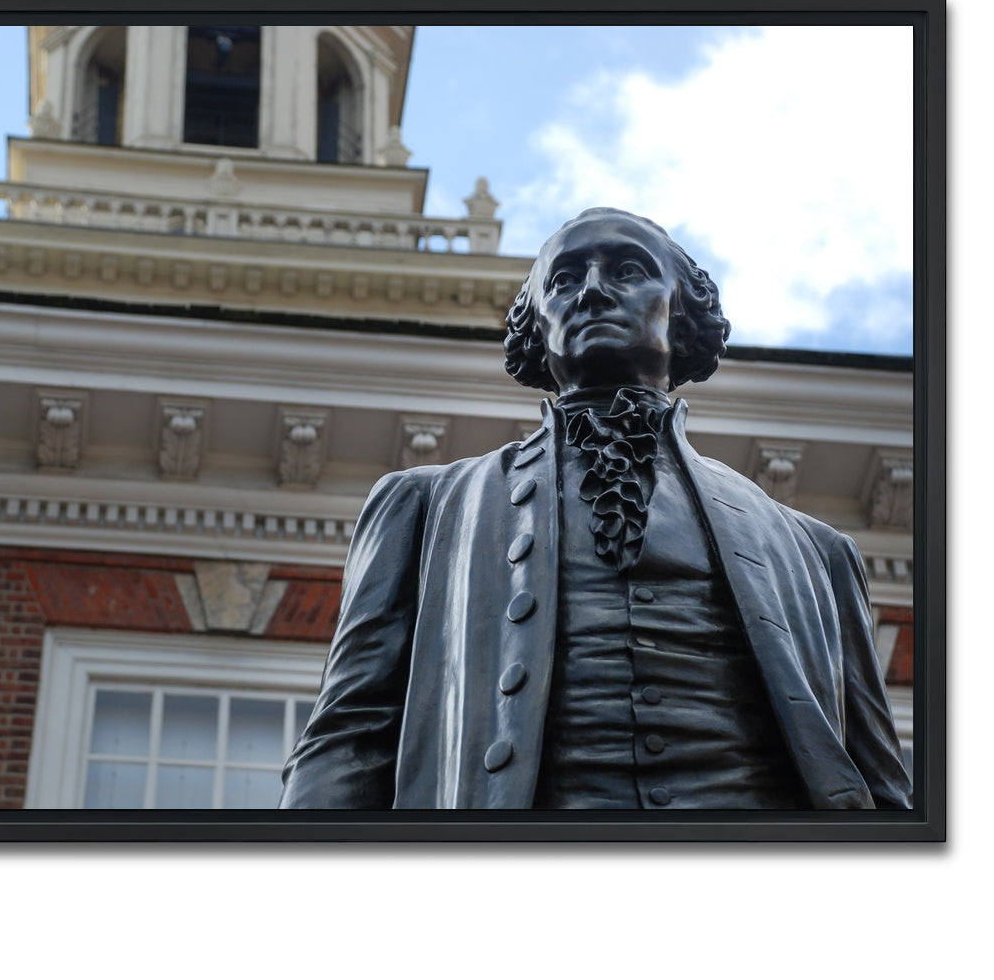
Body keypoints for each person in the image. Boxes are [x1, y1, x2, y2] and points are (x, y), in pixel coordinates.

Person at [279, 208, 912, 810]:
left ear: (682, 312)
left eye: (628, 270)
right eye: (563, 280)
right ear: (537, 325)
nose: (590, 292)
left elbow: (881, 789)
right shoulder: (424, 506)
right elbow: (348, 733)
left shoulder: (819, 555)